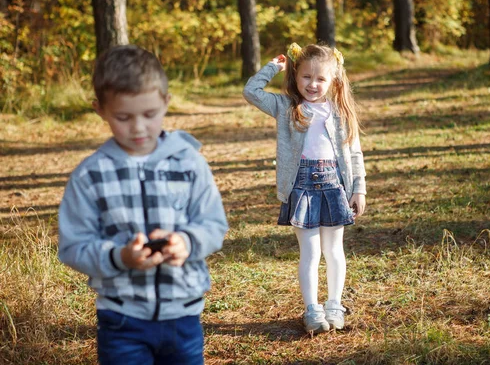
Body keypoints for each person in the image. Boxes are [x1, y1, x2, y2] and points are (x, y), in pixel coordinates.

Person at [58, 44, 228, 364]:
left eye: (149, 114)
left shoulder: (189, 163)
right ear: (100, 110)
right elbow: (73, 246)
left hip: (184, 316)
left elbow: (213, 225)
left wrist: (187, 242)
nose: (138, 127)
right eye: (123, 117)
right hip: (121, 320)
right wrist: (119, 256)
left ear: (166, 102)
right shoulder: (90, 175)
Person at [243, 43, 366, 334]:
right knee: (310, 253)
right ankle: (313, 309)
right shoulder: (286, 107)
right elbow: (251, 92)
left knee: (334, 250)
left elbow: (355, 152)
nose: (313, 84)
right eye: (306, 77)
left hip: (335, 185)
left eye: (321, 78)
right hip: (302, 186)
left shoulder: (340, 112)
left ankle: (334, 305)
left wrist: (358, 188)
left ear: (334, 80)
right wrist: (274, 66)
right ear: (296, 76)